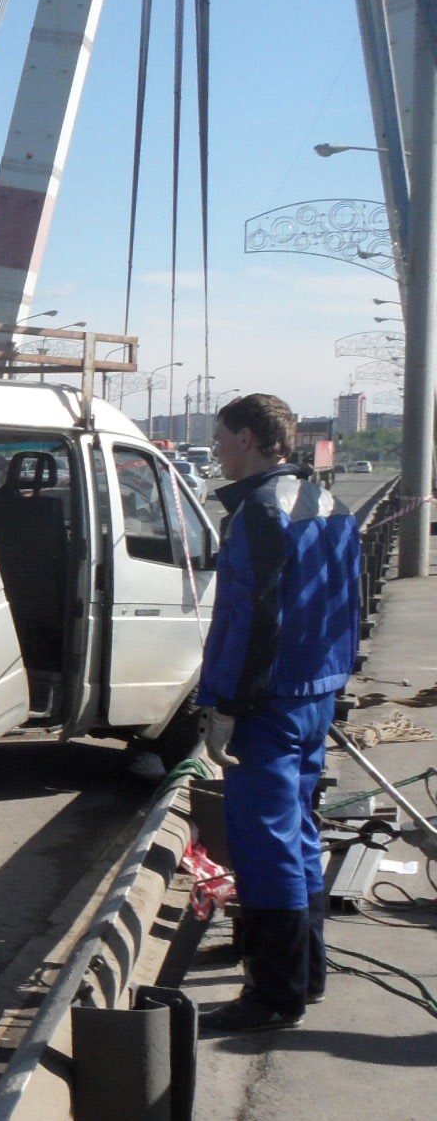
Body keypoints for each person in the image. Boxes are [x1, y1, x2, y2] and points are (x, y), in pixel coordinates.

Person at [196, 393, 361, 1032]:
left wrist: (229, 706)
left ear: (246, 438)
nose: (215, 451)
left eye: (219, 438)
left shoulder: (261, 512)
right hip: (313, 692)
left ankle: (274, 993)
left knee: (265, 840)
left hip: (270, 701)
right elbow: (341, 605)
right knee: (298, 829)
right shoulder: (330, 505)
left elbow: (256, 620)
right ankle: (305, 971)